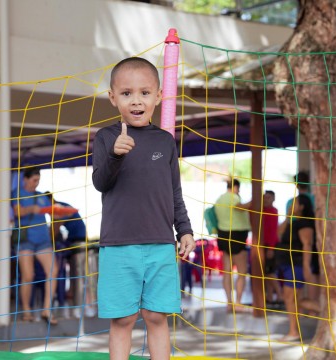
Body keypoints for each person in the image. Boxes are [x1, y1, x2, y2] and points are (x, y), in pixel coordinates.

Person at [92, 57, 195, 360]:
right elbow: (101, 182)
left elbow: (174, 191)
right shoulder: (107, 137)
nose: (136, 101)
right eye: (126, 93)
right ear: (113, 98)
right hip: (119, 245)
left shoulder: (165, 141)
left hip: (161, 245)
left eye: (144, 93)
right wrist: (115, 155)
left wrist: (185, 229)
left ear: (158, 96)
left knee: (156, 316)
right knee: (122, 319)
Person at [11, 167, 59, 324]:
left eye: (38, 180)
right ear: (25, 179)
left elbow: (53, 212)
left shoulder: (41, 196)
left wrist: (58, 211)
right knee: (28, 276)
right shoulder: (17, 193)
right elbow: (18, 212)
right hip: (25, 241)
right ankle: (26, 311)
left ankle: (47, 310)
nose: (36, 183)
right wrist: (32, 209)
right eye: (34, 180)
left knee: (53, 271)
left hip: (43, 240)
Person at [275, 194, 317, 342]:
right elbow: (279, 233)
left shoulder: (305, 223)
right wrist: (287, 216)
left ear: (302, 207)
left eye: (295, 203)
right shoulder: (293, 222)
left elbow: (307, 245)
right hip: (288, 265)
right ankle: (296, 330)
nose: (291, 206)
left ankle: (293, 332)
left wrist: (306, 266)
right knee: (294, 300)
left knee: (290, 298)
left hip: (297, 265)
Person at [214, 179, 251, 313]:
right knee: (242, 272)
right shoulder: (234, 198)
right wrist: (255, 201)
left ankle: (229, 302)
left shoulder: (220, 199)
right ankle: (238, 302)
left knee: (227, 271)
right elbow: (239, 207)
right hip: (237, 236)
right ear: (236, 187)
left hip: (223, 235)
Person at [261, 190, 283, 306]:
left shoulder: (273, 211)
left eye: (269, 197)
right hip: (264, 245)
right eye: (265, 197)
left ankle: (280, 295)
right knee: (266, 273)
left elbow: (273, 231)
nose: (266, 199)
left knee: (270, 272)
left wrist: (271, 248)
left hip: (271, 245)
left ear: (273, 199)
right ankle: (270, 296)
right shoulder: (262, 211)